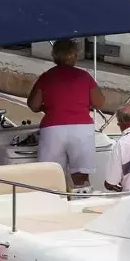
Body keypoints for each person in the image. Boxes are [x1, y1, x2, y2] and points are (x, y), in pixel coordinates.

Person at [27, 39, 105, 193]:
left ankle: (55, 207)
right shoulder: (84, 76)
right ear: (74, 55)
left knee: (50, 175)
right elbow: (100, 103)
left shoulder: (47, 77)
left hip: (53, 129)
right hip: (82, 129)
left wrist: (47, 108)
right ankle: (81, 206)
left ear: (54, 56)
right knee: (81, 178)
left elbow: (33, 105)